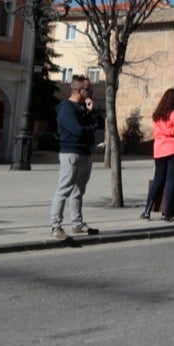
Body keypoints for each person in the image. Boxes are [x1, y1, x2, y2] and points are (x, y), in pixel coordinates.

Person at [49, 76, 103, 241]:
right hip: (71, 153)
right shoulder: (66, 108)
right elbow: (77, 130)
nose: (91, 92)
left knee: (78, 191)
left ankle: (77, 223)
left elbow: (101, 123)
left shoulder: (84, 107)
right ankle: (55, 226)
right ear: (79, 90)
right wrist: (92, 127)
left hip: (85, 153)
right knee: (64, 190)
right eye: (89, 90)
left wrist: (92, 111)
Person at [143, 89, 174, 222]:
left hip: (159, 150)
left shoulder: (157, 115)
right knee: (171, 181)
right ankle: (167, 212)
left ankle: (147, 210)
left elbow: (157, 132)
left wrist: (168, 132)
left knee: (157, 180)